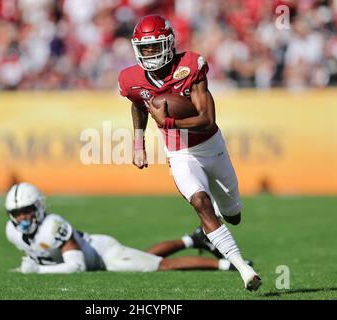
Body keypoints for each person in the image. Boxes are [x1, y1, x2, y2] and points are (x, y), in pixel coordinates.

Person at [117, 15, 261, 291]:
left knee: (233, 215)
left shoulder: (190, 65)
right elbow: (138, 103)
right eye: (145, 49)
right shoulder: (131, 79)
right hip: (179, 153)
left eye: (155, 47)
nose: (150, 54)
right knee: (199, 202)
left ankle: (211, 229)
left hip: (211, 147)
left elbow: (207, 119)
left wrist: (169, 121)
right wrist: (139, 143)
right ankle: (243, 269)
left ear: (169, 44)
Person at [4, 182, 252, 274]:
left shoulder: (52, 225)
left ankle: (226, 264)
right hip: (100, 254)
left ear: (38, 207)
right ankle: (195, 239)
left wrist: (39, 271)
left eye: (26, 210)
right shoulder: (12, 231)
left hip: (104, 255)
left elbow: (76, 266)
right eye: (16, 213)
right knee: (148, 255)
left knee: (159, 266)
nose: (22, 217)